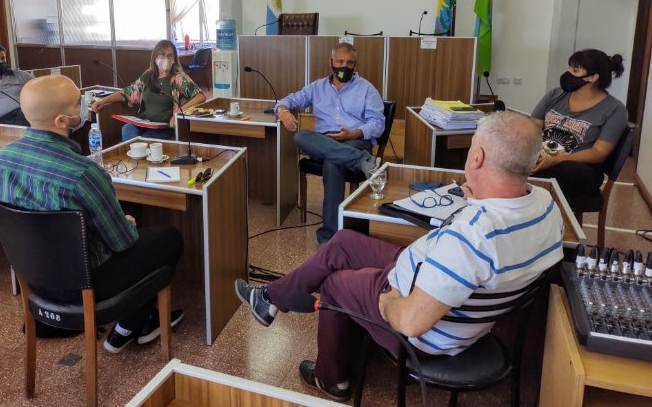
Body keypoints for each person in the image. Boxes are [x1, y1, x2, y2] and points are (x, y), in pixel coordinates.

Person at [235, 112, 563, 401]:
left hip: (422, 325)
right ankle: (270, 298)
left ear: (477, 158)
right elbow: (487, 245)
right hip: (429, 280)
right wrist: (475, 201)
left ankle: (331, 378)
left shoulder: (470, 238)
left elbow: (410, 321)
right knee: (345, 241)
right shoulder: (545, 206)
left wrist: (388, 301)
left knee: (335, 284)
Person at [0, 74, 184, 348]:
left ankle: (135, 320)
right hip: (87, 284)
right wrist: (126, 223)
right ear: (60, 122)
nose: (85, 106)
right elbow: (123, 242)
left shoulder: (0, 162)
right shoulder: (83, 174)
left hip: (35, 281)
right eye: (79, 103)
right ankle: (128, 326)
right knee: (168, 238)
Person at [274, 42, 384, 243]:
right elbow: (288, 100)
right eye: (340, 61)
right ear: (331, 62)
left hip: (354, 140)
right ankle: (363, 161)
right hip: (323, 141)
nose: (344, 67)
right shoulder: (317, 87)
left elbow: (377, 124)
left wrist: (352, 134)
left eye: (349, 63)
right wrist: (283, 111)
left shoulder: (367, 89)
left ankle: (329, 236)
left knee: (333, 163)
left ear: (355, 64)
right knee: (300, 136)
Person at [531, 49, 628, 205]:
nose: (568, 73)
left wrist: (556, 159)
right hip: (544, 157)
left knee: (560, 172)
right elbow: (534, 124)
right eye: (569, 67)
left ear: (593, 77)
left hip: (579, 169)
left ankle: (544, 219)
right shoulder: (556, 94)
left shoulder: (615, 110)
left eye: (575, 70)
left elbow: (598, 152)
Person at [90, 40, 206, 142]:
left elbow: (200, 96)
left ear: (175, 59)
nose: (166, 58)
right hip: (142, 123)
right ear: (155, 56)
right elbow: (127, 92)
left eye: (170, 56)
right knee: (127, 129)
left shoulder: (178, 78)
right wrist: (103, 100)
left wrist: (178, 112)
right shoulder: (148, 76)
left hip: (163, 127)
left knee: (145, 140)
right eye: (163, 54)